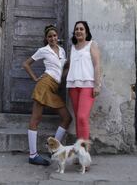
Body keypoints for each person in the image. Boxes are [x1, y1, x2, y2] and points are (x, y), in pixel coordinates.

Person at [23, 25, 72, 166]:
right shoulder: (43, 50)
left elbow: (62, 71)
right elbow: (26, 64)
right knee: (36, 118)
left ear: (57, 37)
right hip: (44, 84)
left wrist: (68, 69)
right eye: (49, 36)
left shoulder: (62, 51)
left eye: (54, 35)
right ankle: (33, 155)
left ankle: (54, 149)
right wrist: (35, 78)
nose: (52, 38)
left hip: (54, 87)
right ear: (46, 38)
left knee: (67, 118)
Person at [66, 21, 101, 141]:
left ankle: (84, 152)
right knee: (77, 118)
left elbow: (97, 65)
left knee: (82, 117)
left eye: (81, 29)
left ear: (86, 32)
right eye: (76, 29)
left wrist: (97, 85)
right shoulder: (73, 48)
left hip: (88, 85)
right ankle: (78, 150)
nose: (78, 31)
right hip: (73, 86)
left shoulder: (92, 45)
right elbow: (70, 66)